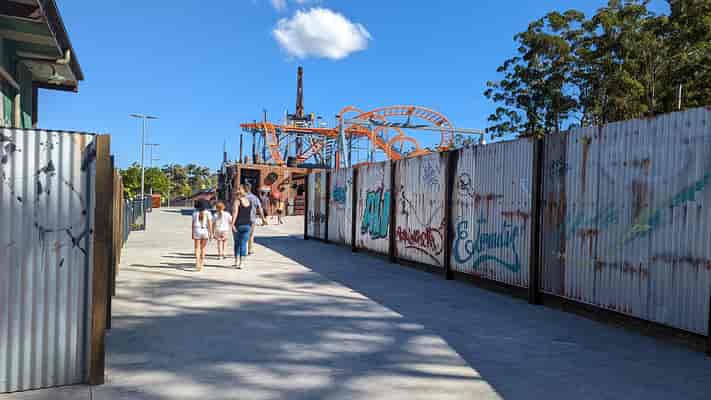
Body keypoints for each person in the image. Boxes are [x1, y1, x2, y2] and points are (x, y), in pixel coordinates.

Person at [231, 185, 254, 268]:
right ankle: (241, 263)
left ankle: (236, 261)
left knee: (237, 243)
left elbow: (235, 213)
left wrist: (232, 224)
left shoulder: (237, 201)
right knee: (244, 243)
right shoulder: (249, 201)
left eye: (238, 189)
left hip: (238, 225)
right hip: (248, 225)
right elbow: (250, 214)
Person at [192, 199, 213, 271]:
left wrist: (192, 233)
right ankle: (201, 263)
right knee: (203, 248)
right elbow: (210, 224)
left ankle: (197, 262)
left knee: (197, 248)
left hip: (197, 230)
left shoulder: (195, 213)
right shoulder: (208, 213)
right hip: (205, 230)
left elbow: (193, 224)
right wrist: (211, 233)